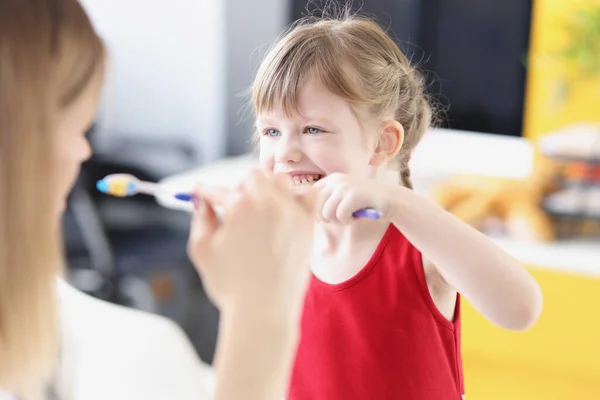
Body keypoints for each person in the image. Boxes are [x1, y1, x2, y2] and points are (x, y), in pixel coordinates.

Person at [0, 1, 315, 400]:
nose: (83, 153)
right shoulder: (140, 356)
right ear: (20, 140)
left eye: (315, 129)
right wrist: (262, 312)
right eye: (79, 128)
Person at [250, 9, 544, 400]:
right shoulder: (281, 242)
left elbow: (521, 310)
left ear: (382, 142)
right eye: (271, 130)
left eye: (312, 129)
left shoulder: (419, 244)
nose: (284, 152)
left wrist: (399, 204)